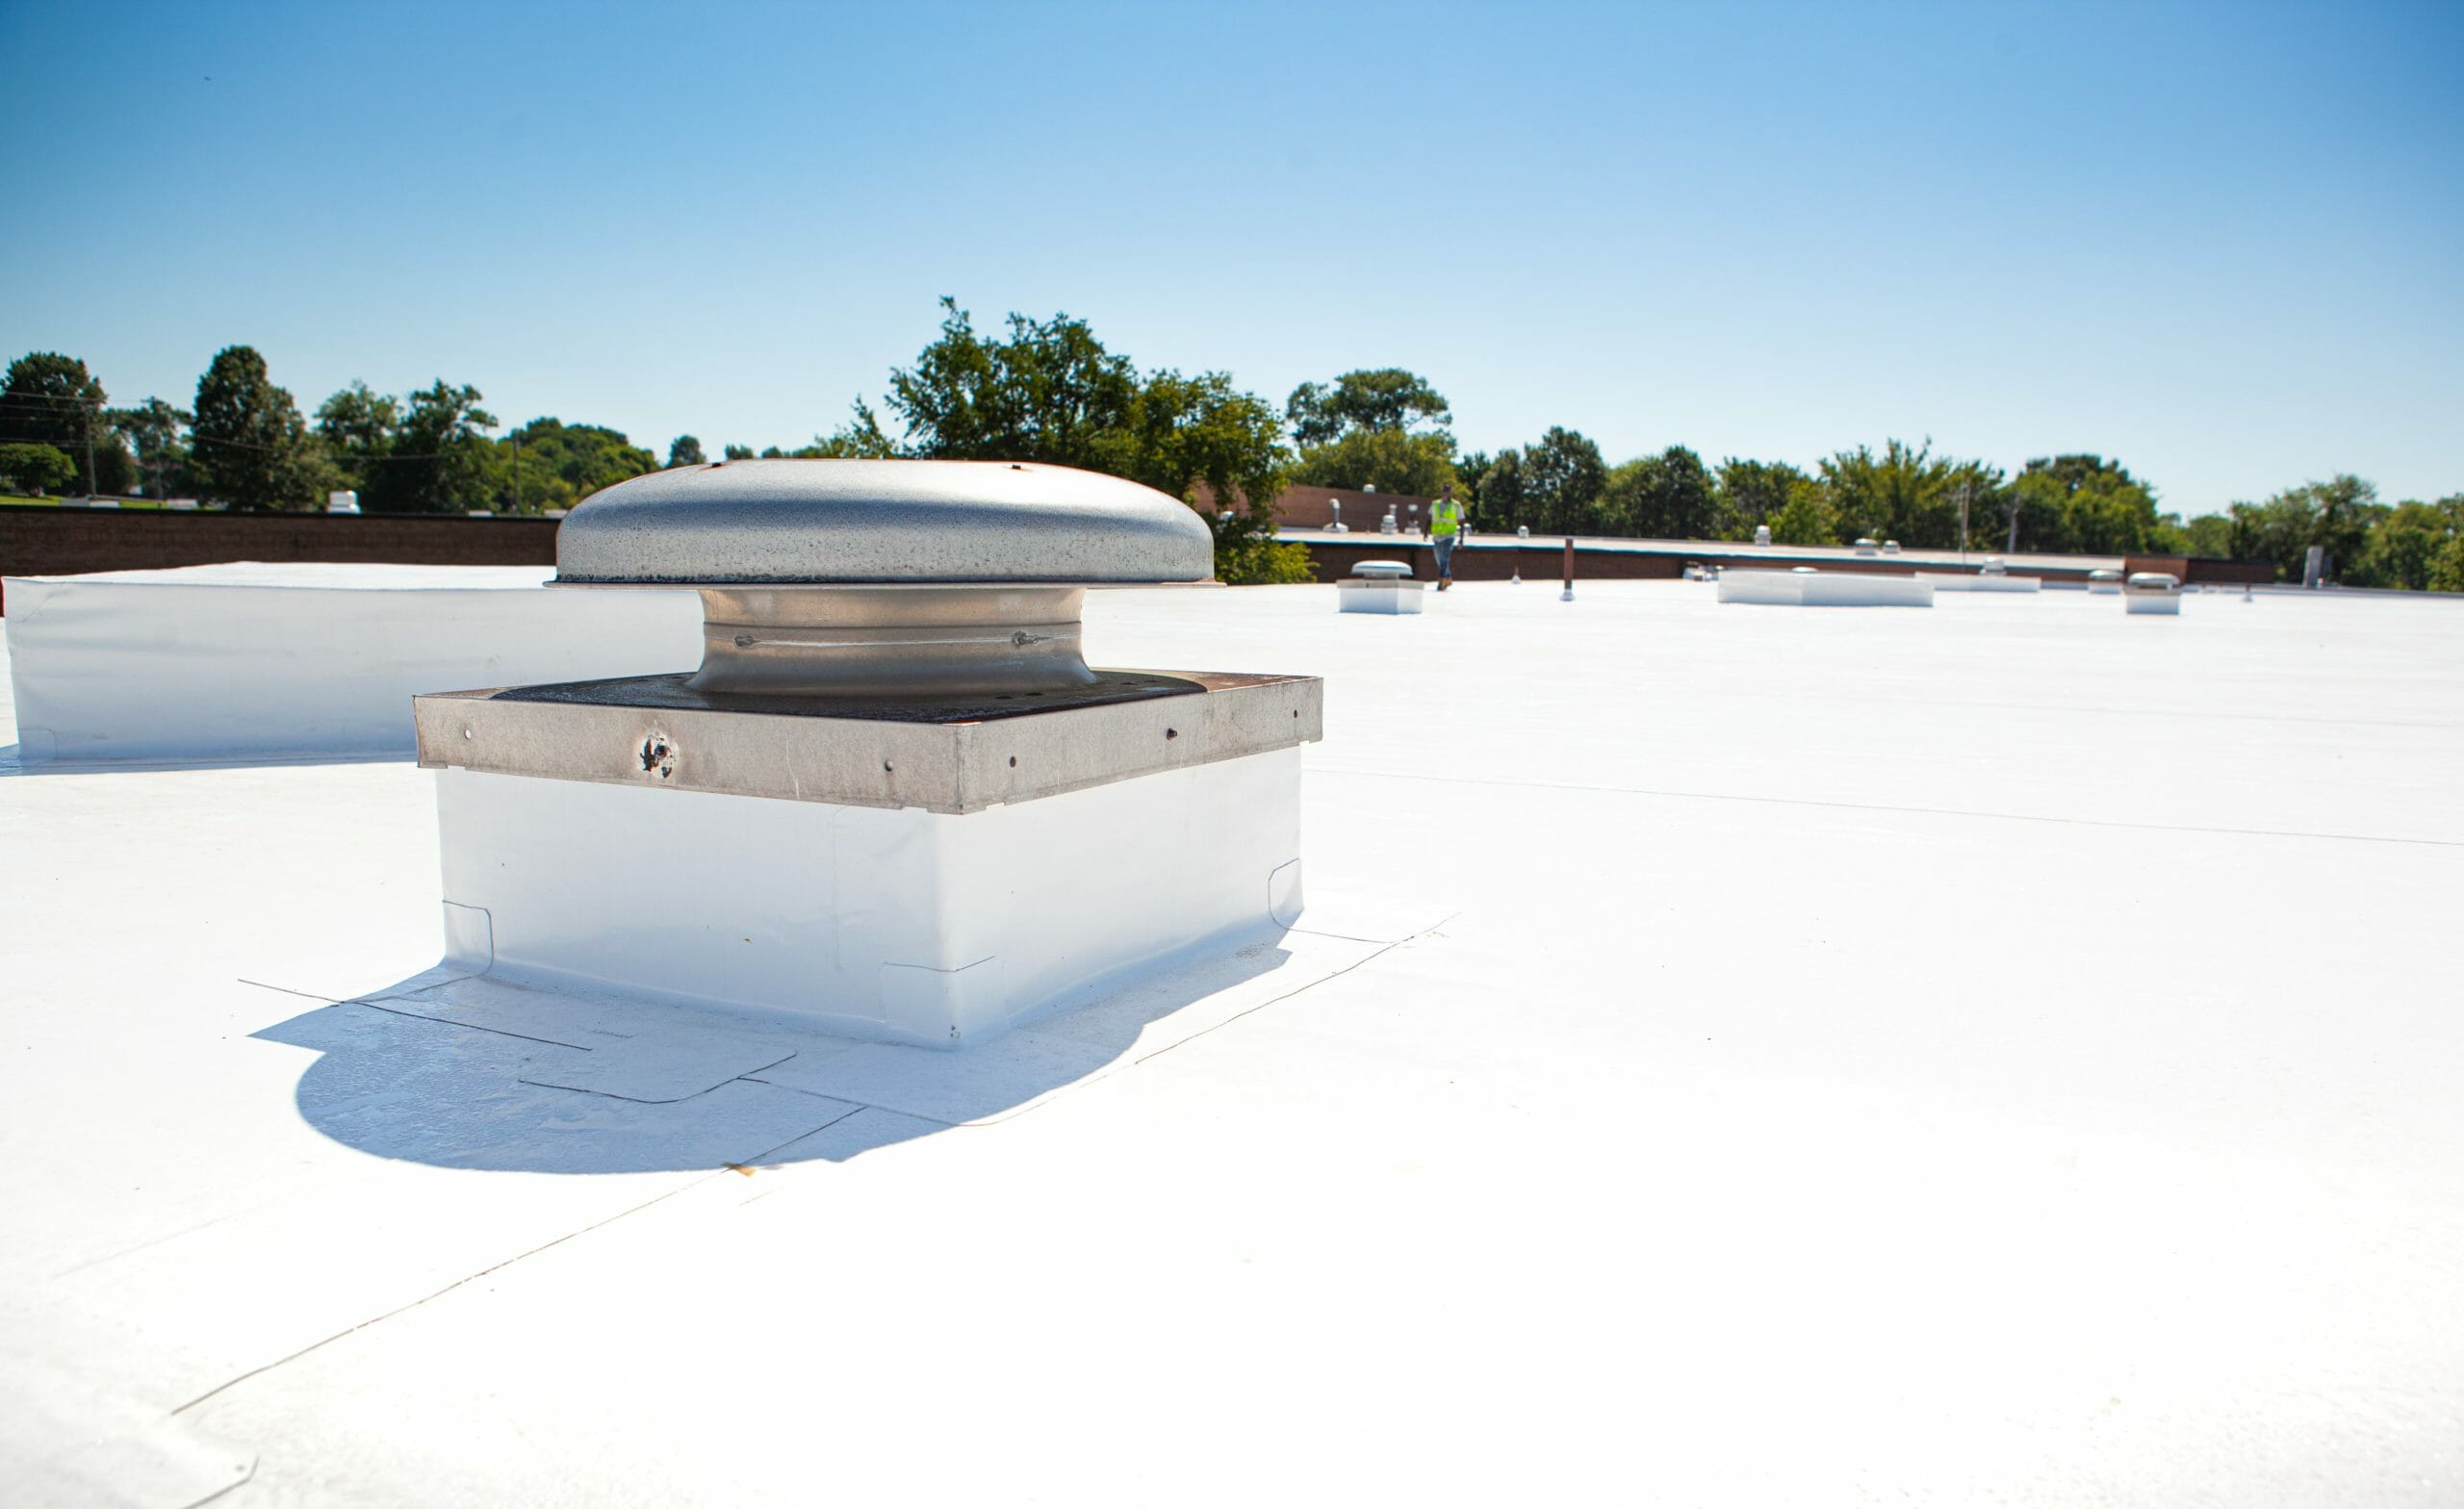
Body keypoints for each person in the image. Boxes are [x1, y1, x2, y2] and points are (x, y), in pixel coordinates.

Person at [1430, 482, 1465, 590]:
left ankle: (1441, 582)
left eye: (1448, 491)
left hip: (1449, 536)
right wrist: (1426, 532)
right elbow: (1429, 518)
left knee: (1444, 558)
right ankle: (1448, 577)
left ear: (1451, 492)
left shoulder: (1456, 505)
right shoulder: (1435, 504)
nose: (1446, 493)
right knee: (1439, 559)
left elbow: (1461, 521)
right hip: (1437, 536)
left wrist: (1461, 539)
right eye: (1444, 490)